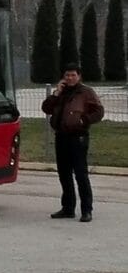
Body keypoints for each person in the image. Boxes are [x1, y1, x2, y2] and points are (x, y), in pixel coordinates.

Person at [41, 62, 104, 222]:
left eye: (73, 75)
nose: (70, 78)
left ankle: (86, 210)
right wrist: (56, 93)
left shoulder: (86, 92)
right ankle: (68, 208)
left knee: (81, 174)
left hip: (78, 137)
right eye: (67, 75)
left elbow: (99, 111)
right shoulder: (60, 93)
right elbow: (46, 108)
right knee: (64, 174)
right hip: (61, 136)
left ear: (79, 76)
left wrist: (84, 120)